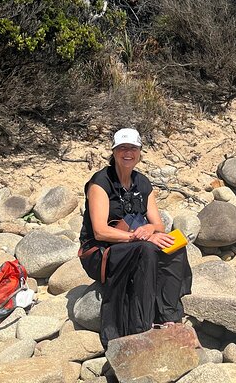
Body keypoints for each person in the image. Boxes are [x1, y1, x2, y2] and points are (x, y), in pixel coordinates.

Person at [78, 128, 192, 348]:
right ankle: (140, 325)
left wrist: (149, 229)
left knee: (174, 245)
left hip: (134, 244)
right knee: (146, 250)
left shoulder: (142, 182)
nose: (127, 153)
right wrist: (139, 238)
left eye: (132, 148)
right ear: (114, 151)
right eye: (122, 148)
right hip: (101, 252)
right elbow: (100, 231)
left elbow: (158, 224)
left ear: (140, 151)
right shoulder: (100, 183)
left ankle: (168, 315)